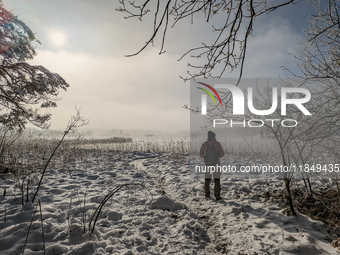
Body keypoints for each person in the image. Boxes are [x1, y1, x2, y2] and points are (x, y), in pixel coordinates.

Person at [199, 131, 224, 200]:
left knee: (207, 179)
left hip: (207, 164)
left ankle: (207, 194)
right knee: (217, 180)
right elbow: (222, 154)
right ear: (214, 136)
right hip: (216, 164)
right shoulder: (217, 144)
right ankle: (217, 195)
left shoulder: (204, 144)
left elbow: (201, 154)